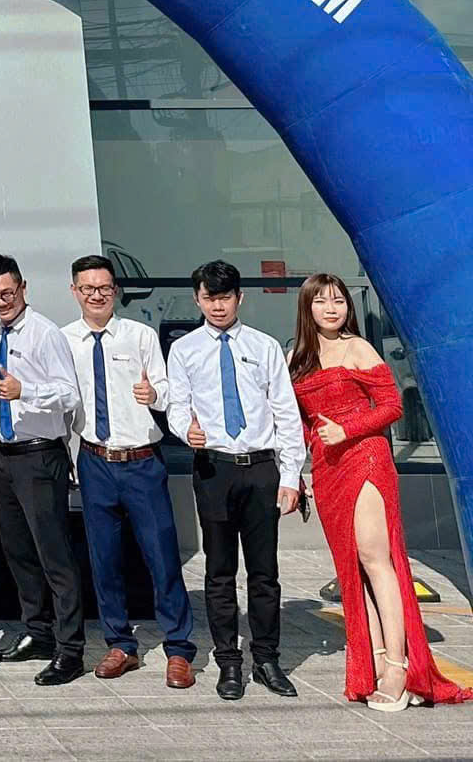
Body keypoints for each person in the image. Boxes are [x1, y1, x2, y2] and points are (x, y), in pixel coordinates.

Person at [289, 274, 473, 710]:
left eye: (339, 301)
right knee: (352, 568)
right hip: (327, 469)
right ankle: (372, 661)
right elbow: (296, 420)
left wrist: (347, 429)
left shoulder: (359, 348)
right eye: (321, 302)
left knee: (377, 560)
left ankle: (398, 667)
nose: (331, 309)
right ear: (307, 308)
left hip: (366, 459)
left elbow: (392, 406)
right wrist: (297, 470)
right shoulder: (296, 357)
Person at [167, 260, 307, 702]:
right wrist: (183, 429)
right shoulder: (184, 349)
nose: (217, 306)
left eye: (225, 297)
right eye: (209, 297)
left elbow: (286, 411)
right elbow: (176, 405)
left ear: (239, 298)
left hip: (261, 468)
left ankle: (266, 659)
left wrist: (291, 476)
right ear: (197, 299)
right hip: (214, 469)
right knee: (219, 572)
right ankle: (229, 661)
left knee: (265, 573)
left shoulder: (264, 346)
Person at [62, 255, 196, 690]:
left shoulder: (140, 335)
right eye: (88, 288)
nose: (96, 295)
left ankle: (179, 648)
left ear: (115, 291)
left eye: (104, 288)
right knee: (104, 561)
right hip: (94, 460)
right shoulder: (65, 340)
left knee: (162, 557)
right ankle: (120, 644)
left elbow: (167, 391)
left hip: (141, 462)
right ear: (75, 292)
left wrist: (154, 394)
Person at [0, 253, 85, 685]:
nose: (1, 302)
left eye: (7, 293)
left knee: (54, 555)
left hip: (40, 456)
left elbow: (70, 395)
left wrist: (26, 391)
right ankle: (37, 632)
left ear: (23, 288)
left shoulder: (45, 333)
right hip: (5, 456)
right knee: (18, 552)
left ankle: (70, 649)